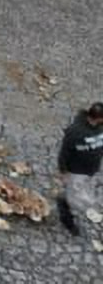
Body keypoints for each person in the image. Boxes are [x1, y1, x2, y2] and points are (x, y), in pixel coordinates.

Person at [58, 102, 103, 238]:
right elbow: (64, 153)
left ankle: (66, 198)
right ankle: (66, 218)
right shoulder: (75, 132)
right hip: (76, 171)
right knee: (73, 200)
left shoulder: (101, 127)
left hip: (91, 170)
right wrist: (63, 171)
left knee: (85, 197)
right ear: (99, 118)